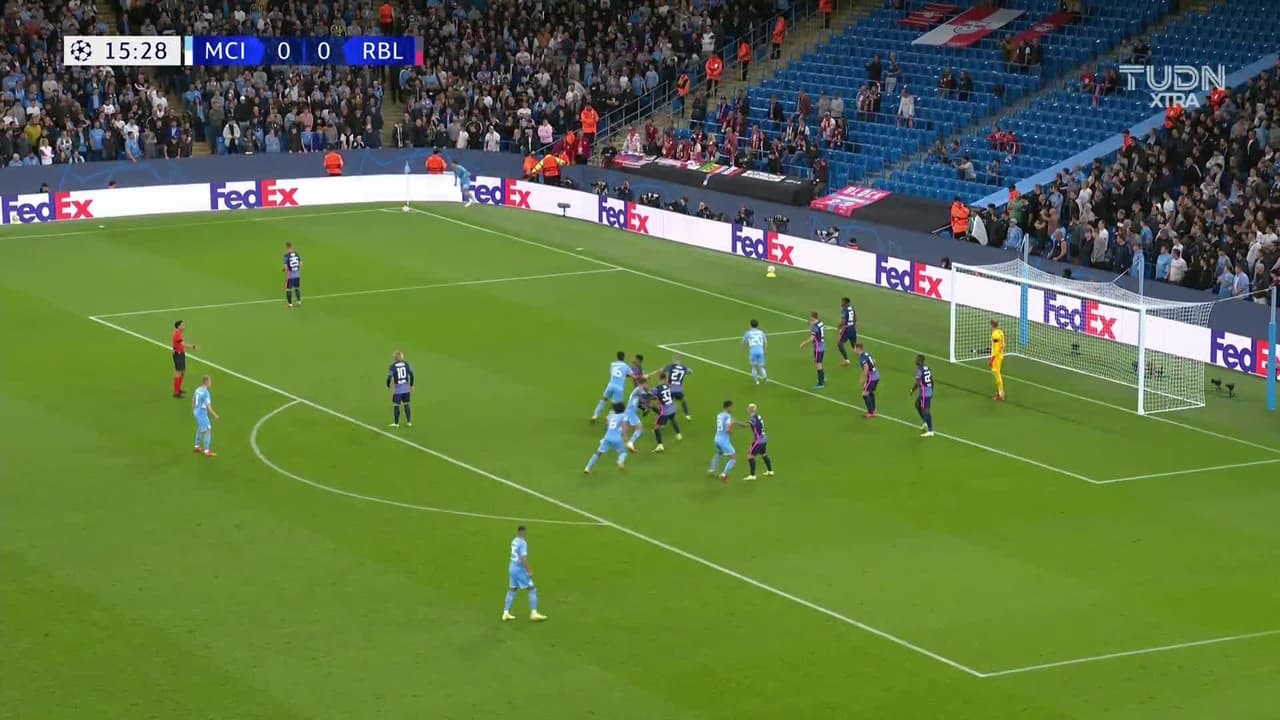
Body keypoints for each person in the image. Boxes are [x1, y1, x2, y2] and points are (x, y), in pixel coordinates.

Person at [502, 526, 548, 622]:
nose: (526, 534)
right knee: (532, 589)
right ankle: (534, 613)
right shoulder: (523, 543)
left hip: (512, 568)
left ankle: (505, 612)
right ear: (522, 532)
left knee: (512, 589)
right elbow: (523, 559)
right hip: (519, 570)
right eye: (525, 532)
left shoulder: (514, 540)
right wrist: (528, 570)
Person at [585, 402, 630, 474]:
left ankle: (587, 468)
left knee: (598, 453)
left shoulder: (611, 415)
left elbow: (607, 423)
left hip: (607, 437)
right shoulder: (623, 416)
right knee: (623, 452)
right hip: (617, 438)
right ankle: (620, 462)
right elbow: (625, 428)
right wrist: (626, 438)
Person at [708, 400, 747, 483]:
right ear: (728, 407)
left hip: (717, 439)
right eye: (731, 407)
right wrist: (732, 432)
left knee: (719, 453)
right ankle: (723, 475)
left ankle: (712, 469)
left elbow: (731, 422)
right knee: (733, 459)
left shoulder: (719, 415)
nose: (732, 409)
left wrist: (741, 424)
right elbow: (728, 428)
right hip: (723, 440)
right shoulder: (728, 416)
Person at [591, 351, 631, 422]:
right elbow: (632, 375)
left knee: (603, 399)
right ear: (624, 357)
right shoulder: (626, 366)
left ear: (617, 357)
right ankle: (608, 417)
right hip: (619, 388)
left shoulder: (612, 364)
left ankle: (595, 415)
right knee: (615, 405)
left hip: (610, 385)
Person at [650, 373, 683, 452]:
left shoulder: (657, 388)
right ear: (664, 379)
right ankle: (678, 434)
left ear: (660, 379)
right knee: (672, 419)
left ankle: (660, 445)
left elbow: (651, 396)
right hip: (672, 408)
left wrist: (653, 393)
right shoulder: (668, 386)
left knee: (656, 428)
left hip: (665, 411)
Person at [744, 403, 774, 480]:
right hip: (764, 438)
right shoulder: (758, 416)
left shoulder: (753, 418)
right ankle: (770, 471)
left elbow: (746, 426)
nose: (747, 409)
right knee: (763, 454)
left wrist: (735, 423)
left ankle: (752, 475)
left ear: (750, 409)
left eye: (748, 408)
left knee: (750, 456)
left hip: (758, 441)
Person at [192, 375, 219, 457]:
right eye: (210, 381)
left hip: (196, 412)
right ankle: (207, 451)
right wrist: (215, 415)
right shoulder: (206, 393)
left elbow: (193, 399)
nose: (211, 383)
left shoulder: (198, 389)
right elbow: (208, 407)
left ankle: (197, 447)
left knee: (200, 428)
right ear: (206, 382)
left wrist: (193, 410)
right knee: (208, 430)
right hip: (202, 414)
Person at [386, 351, 415, 428]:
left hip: (398, 389)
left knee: (396, 406)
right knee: (407, 404)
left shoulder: (392, 366)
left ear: (395, 358)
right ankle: (409, 422)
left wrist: (388, 385)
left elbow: (389, 377)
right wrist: (411, 385)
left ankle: (396, 423)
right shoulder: (407, 364)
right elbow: (412, 375)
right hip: (406, 388)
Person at [799, 311, 827, 389]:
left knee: (818, 364)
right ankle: (823, 377)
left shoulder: (815, 327)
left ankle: (820, 383)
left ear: (812, 317)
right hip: (822, 345)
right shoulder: (821, 323)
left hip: (818, 347)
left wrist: (803, 344)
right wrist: (811, 324)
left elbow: (812, 338)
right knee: (818, 362)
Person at [172, 320, 198, 398]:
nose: (184, 326)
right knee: (178, 372)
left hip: (181, 353)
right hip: (178, 354)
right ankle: (176, 392)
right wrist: (193, 347)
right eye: (182, 325)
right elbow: (183, 344)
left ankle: (179, 388)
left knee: (182, 371)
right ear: (178, 326)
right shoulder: (177, 334)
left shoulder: (179, 333)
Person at [911, 354, 935, 437]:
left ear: (920, 361)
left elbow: (918, 382)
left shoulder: (919, 370)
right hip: (928, 391)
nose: (915, 361)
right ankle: (925, 422)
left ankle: (930, 430)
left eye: (917, 359)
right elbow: (931, 380)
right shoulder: (927, 368)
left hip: (924, 393)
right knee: (917, 405)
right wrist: (932, 390)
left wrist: (913, 389)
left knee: (926, 410)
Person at [623, 378, 650, 452]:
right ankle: (630, 443)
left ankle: (607, 439)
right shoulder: (639, 389)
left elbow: (639, 401)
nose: (647, 385)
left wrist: (644, 408)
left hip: (628, 411)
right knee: (639, 428)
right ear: (644, 383)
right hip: (631, 412)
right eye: (646, 384)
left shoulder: (638, 390)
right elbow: (646, 395)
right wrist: (655, 396)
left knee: (626, 429)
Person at [663, 355, 693, 420]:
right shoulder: (683, 367)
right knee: (683, 400)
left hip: (670, 389)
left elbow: (664, 371)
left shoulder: (670, 366)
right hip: (679, 390)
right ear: (680, 361)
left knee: (668, 404)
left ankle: (666, 417)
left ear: (674, 360)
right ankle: (687, 415)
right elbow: (691, 371)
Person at [855, 342, 880, 418]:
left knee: (865, 394)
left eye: (855, 348)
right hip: (876, 375)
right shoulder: (867, 354)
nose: (854, 350)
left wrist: (862, 378)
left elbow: (866, 368)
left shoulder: (862, 358)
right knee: (870, 392)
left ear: (858, 349)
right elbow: (874, 361)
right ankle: (874, 409)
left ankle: (870, 412)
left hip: (871, 378)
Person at [742, 319, 768, 383]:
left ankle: (757, 381)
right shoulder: (761, 332)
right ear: (758, 325)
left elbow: (743, 342)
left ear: (750, 325)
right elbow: (765, 341)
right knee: (761, 366)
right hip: (761, 351)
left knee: (754, 367)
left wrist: (743, 348)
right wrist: (765, 349)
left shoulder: (748, 333)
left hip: (753, 352)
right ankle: (765, 376)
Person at [837, 296, 857, 365]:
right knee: (854, 346)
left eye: (842, 302)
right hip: (852, 328)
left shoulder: (844, 309)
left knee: (840, 344)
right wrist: (853, 325)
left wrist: (839, 327)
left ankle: (846, 360)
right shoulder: (852, 307)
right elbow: (855, 318)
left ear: (845, 302)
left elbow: (843, 321)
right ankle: (867, 358)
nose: (841, 303)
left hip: (846, 329)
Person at [990, 319, 1006, 401]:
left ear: (992, 325)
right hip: (1000, 355)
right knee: (997, 373)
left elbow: (996, 349)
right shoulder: (1000, 332)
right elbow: (1003, 344)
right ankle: (1000, 392)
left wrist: (991, 359)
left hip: (996, 357)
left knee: (997, 374)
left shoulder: (995, 335)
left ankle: (1001, 394)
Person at [283, 241, 302, 308]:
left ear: (287, 248)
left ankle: (290, 304)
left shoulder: (286, 256)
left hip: (290, 276)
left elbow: (286, 267)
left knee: (288, 289)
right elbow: (301, 263)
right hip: (297, 275)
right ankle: (299, 302)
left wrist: (286, 276)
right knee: (297, 288)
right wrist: (297, 270)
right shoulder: (297, 254)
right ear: (292, 247)